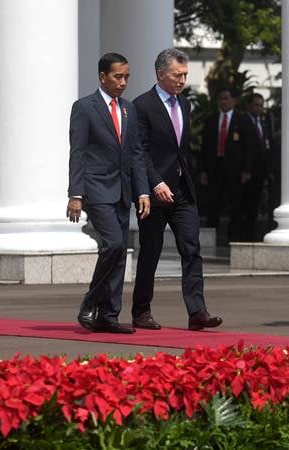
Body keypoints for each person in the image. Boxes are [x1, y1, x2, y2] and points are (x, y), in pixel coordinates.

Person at [131, 48, 223, 331]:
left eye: (185, 75)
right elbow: (139, 151)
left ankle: (197, 311)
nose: (183, 80)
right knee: (151, 251)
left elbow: (180, 148)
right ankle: (141, 311)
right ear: (160, 75)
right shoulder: (142, 105)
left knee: (191, 248)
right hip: (154, 192)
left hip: (182, 190)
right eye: (177, 75)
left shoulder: (184, 104)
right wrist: (155, 182)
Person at [67, 53, 150, 334]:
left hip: (123, 190)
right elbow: (77, 153)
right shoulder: (84, 107)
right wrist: (75, 194)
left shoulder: (129, 109)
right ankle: (90, 302)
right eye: (118, 76)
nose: (123, 82)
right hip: (96, 188)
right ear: (103, 77)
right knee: (113, 245)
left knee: (118, 252)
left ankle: (109, 315)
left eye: (126, 77)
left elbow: (137, 153)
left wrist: (143, 191)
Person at [200, 87, 253, 242]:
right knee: (213, 203)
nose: (223, 102)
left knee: (235, 204)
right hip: (215, 167)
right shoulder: (211, 119)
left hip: (235, 170)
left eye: (226, 98)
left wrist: (247, 170)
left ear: (233, 100)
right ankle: (210, 238)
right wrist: (203, 170)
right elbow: (205, 147)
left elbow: (249, 147)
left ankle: (234, 239)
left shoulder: (242, 119)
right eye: (220, 99)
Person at [244, 93, 270, 241]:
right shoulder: (243, 121)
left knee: (255, 206)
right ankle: (245, 236)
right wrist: (246, 170)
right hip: (247, 173)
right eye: (256, 105)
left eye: (261, 105)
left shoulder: (264, 123)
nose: (259, 108)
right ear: (249, 105)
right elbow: (246, 149)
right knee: (246, 206)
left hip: (261, 172)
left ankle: (252, 235)